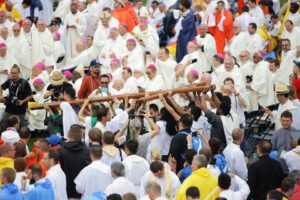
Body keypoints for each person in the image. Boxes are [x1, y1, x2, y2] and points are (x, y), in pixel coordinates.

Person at [58, 124, 91, 199]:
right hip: (82, 190)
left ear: (69, 134)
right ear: (81, 136)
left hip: (67, 189)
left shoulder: (60, 151)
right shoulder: (87, 151)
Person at [0, 65, 32, 130]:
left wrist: (22, 101)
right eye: (12, 73)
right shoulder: (9, 81)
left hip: (20, 109)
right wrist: (1, 95)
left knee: (21, 128)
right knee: (4, 124)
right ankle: (4, 138)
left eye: (15, 73)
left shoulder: (24, 83)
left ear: (19, 73)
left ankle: (21, 139)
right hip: (10, 106)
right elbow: (1, 86)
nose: (13, 74)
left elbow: (30, 96)